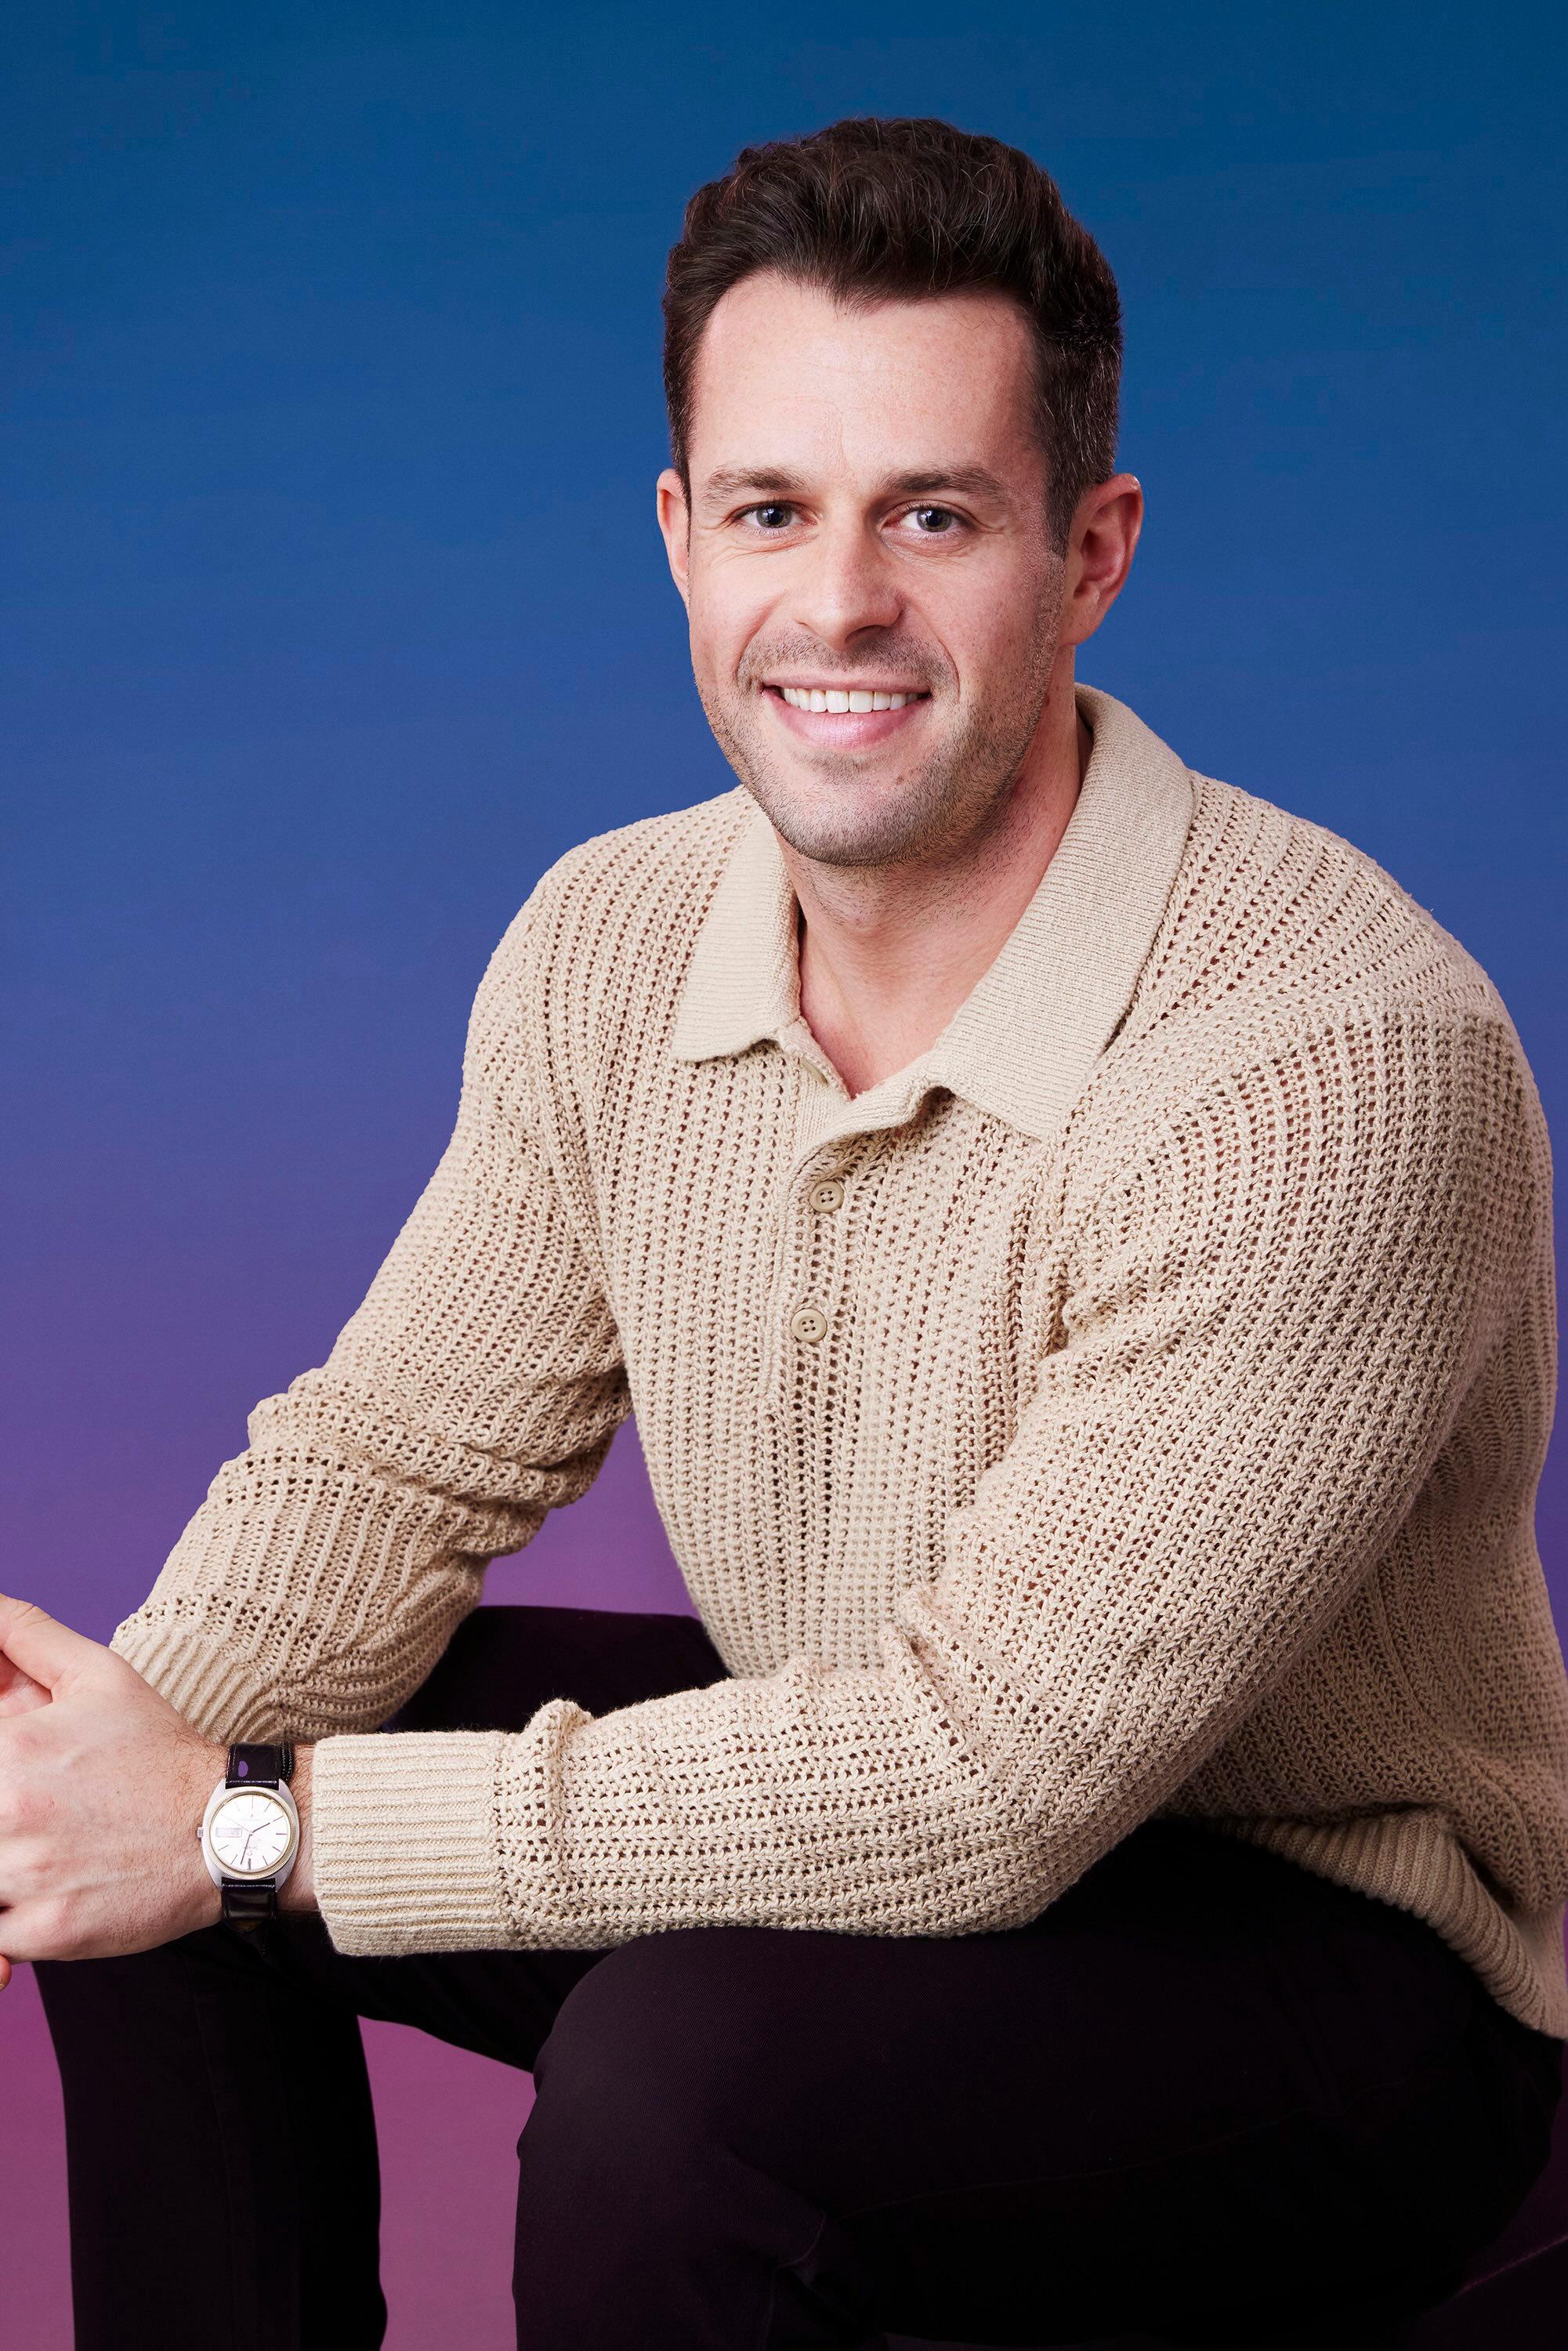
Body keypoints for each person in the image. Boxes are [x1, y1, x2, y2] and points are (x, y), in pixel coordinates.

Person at [13, 114, 1568, 2351]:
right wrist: (109, 1778)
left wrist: (259, 1827)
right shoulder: (615, 939)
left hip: (1324, 1955)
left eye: (931, 517)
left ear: (1090, 550)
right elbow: (393, 1455)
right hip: (891, 1770)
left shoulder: (1324, 1064)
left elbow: (983, 1780)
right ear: (676, 536)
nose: (837, 606)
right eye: (771, 511)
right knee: (162, 1774)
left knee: (658, 2087)